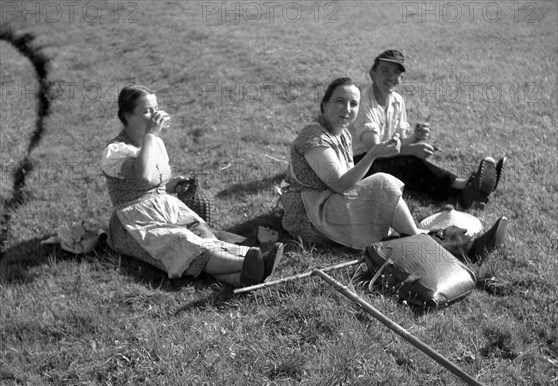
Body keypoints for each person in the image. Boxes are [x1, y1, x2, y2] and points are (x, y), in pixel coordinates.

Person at [280, 77, 507, 262]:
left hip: (328, 202)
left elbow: (346, 182)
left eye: (353, 104)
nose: (347, 109)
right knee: (383, 183)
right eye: (340, 101)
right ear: (324, 104)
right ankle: (446, 243)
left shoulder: (342, 133)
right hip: (308, 216)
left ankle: (450, 241)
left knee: (383, 190)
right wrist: (373, 154)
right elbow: (339, 183)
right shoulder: (315, 137)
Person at [101, 84, 283, 288]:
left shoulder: (156, 143)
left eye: (156, 108)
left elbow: (151, 185)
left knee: (201, 233)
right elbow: (142, 176)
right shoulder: (116, 150)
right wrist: (150, 135)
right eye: (147, 111)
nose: (155, 115)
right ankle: (252, 263)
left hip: (165, 207)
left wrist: (170, 185)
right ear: (128, 116)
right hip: (133, 221)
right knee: (180, 241)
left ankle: (241, 276)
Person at [349, 49, 507, 209]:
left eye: (396, 73)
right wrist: (410, 149)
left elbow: (395, 142)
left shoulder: (397, 100)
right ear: (372, 74)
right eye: (385, 70)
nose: (391, 77)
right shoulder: (364, 103)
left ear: (401, 79)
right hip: (360, 165)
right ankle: (465, 186)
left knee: (410, 163)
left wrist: (414, 138)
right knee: (408, 162)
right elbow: (374, 150)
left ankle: (467, 192)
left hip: (381, 157)